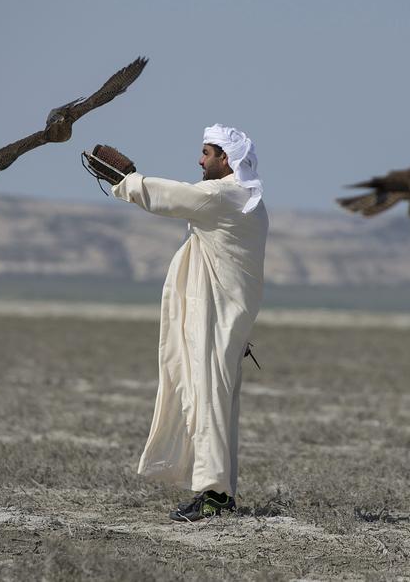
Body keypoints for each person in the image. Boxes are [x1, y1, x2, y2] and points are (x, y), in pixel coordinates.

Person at [110, 123, 268, 522]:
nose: (200, 160)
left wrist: (127, 182)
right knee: (217, 403)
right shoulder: (250, 199)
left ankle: (214, 494)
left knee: (209, 401)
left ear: (225, 159)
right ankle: (221, 492)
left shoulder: (222, 195)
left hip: (217, 318)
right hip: (229, 317)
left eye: (206, 153)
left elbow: (169, 196)